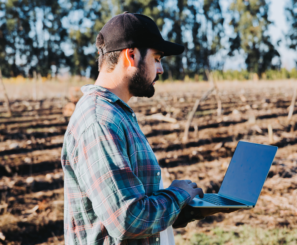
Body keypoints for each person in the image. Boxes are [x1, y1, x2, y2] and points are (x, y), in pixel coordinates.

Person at [61, 12, 235, 245]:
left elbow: (137, 208)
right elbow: (128, 219)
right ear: (131, 55)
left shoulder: (116, 114)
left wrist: (191, 207)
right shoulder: (99, 121)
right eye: (156, 58)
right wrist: (179, 194)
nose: (161, 69)